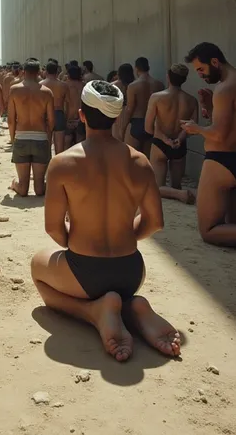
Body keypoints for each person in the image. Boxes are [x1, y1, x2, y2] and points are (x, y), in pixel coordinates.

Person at [31, 80, 180, 362]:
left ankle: (95, 312)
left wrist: (74, 244)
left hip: (84, 270)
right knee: (118, 285)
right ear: (116, 116)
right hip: (132, 271)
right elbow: (155, 222)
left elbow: (52, 227)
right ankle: (131, 307)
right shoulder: (140, 162)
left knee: (37, 268)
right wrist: (125, 238)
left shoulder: (63, 163)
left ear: (82, 114)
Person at [182, 43, 236, 246]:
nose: (201, 75)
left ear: (215, 62)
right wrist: (210, 107)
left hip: (221, 161)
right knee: (231, 224)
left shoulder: (224, 88)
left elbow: (220, 136)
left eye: (201, 69)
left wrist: (196, 129)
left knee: (210, 230)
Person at [145, 64, 198, 204]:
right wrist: (179, 138)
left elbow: (148, 127)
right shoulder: (192, 100)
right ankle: (180, 192)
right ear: (184, 80)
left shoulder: (156, 97)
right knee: (176, 184)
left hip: (160, 144)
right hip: (180, 144)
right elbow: (192, 128)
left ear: (168, 77)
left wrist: (165, 139)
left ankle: (180, 194)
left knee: (155, 187)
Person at [8, 59, 55, 196]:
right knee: (39, 189)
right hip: (40, 138)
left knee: (23, 189)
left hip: (21, 137)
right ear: (39, 72)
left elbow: (11, 120)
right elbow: (51, 121)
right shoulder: (47, 92)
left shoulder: (14, 90)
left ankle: (15, 184)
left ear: (23, 71)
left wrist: (13, 139)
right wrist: (48, 138)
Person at [123, 57, 164, 156]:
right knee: (147, 159)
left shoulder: (133, 86)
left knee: (132, 158)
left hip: (137, 122)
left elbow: (130, 109)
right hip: (152, 123)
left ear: (136, 68)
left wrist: (123, 128)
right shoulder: (159, 85)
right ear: (148, 67)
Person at [41, 61, 70, 155]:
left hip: (45, 115)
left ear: (46, 71)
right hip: (59, 113)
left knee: (46, 144)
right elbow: (68, 103)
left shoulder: (41, 85)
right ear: (57, 71)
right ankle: (58, 167)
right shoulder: (63, 85)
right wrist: (67, 117)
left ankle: (47, 166)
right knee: (59, 147)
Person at [65, 65, 86, 149]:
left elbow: (64, 103)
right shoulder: (84, 85)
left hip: (68, 118)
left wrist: (66, 119)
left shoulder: (65, 86)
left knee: (66, 144)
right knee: (80, 145)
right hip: (81, 118)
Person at [112, 63, 135, 141]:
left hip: (117, 114)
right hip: (132, 114)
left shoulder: (113, 85)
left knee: (116, 140)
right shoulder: (134, 85)